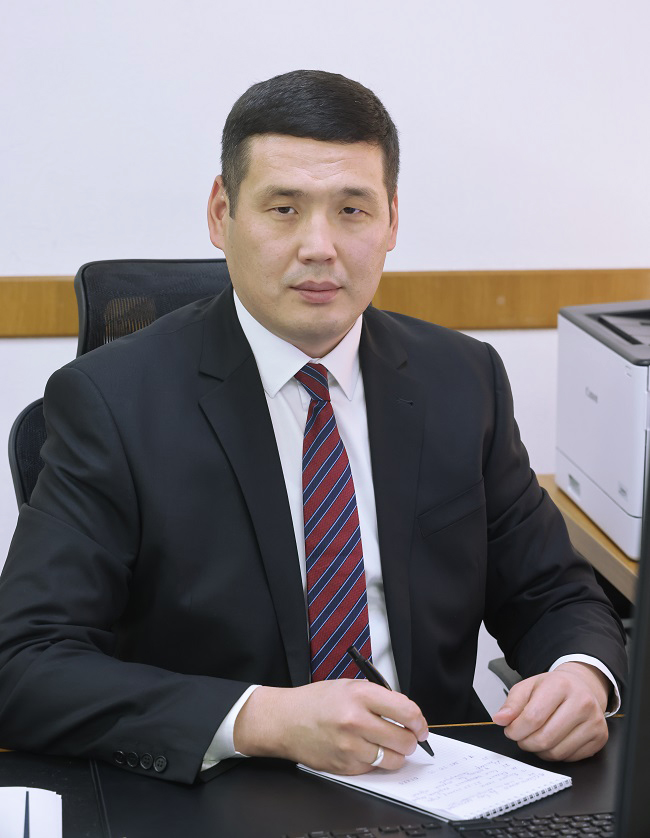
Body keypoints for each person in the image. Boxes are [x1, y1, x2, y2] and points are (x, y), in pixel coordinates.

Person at [0, 70, 627, 785]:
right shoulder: (112, 402)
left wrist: (581, 674)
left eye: (352, 210)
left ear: (392, 221)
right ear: (221, 214)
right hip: (224, 787)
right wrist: (263, 718)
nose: (319, 246)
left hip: (438, 779)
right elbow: (24, 666)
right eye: (284, 209)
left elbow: (554, 594)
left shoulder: (462, 379)